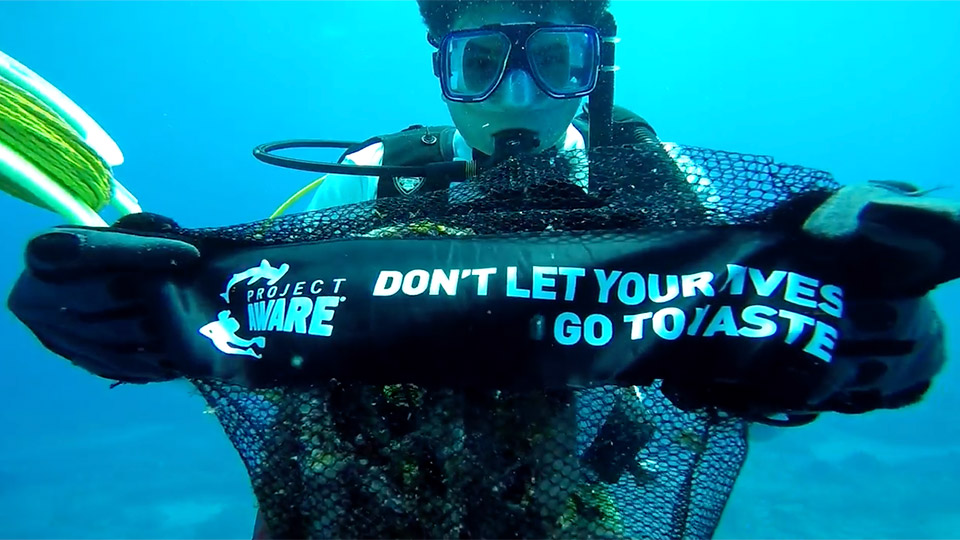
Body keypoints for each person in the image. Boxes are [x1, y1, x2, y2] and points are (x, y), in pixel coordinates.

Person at [6, 1, 957, 538]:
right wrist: (125, 309)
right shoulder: (363, 191)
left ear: (596, 67)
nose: (518, 95)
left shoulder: (675, 196)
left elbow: (765, 335)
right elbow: (236, 314)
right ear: (442, 70)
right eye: (482, 62)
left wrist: (871, 325)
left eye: (554, 60)